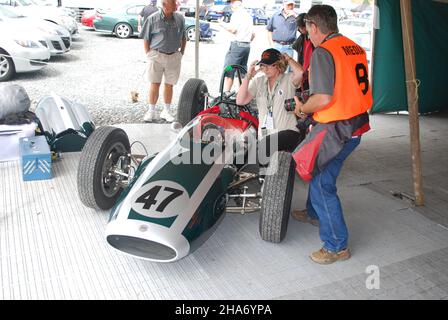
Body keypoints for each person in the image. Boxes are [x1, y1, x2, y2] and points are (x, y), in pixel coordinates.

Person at [292, 5, 373, 264]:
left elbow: (324, 98)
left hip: (338, 129)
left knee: (322, 184)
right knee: (319, 171)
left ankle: (336, 246)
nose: (308, 36)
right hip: (355, 123)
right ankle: (313, 213)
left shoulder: (323, 51)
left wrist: (303, 108)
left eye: (308, 31)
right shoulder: (353, 46)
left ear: (314, 27)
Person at [236, 48, 304, 159]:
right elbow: (240, 101)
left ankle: (263, 175)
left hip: (288, 132)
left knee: (266, 146)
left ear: (278, 65)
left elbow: (300, 72)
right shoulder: (258, 82)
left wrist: (288, 58)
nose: (265, 69)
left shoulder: (288, 79)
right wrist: (248, 76)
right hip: (265, 137)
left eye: (269, 65)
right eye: (263, 65)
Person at [141, 0, 187, 122]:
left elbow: (183, 36)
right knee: (154, 83)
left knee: (169, 84)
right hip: (156, 56)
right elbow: (146, 38)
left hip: (173, 56)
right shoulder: (152, 19)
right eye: (173, 2)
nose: (176, 4)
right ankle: (151, 111)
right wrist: (149, 53)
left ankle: (166, 111)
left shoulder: (180, 18)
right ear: (165, 4)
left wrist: (181, 52)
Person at [219, 0, 255, 92]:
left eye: (231, 2)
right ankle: (242, 93)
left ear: (235, 3)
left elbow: (233, 29)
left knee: (229, 69)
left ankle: (226, 93)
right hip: (246, 46)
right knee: (242, 70)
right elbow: (253, 34)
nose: (230, 4)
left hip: (237, 46)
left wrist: (221, 24)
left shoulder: (236, 14)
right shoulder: (248, 15)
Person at [292, 13, 314, 91]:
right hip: (303, 69)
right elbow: (295, 47)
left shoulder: (314, 38)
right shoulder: (302, 37)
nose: (300, 29)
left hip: (310, 72)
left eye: (301, 27)